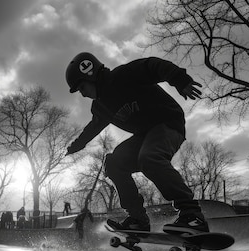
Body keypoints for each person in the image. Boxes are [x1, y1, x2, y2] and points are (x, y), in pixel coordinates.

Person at [65, 52, 208, 233]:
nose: (83, 94)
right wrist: (76, 145)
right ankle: (138, 219)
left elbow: (153, 65)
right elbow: (93, 127)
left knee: (149, 157)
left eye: (82, 88)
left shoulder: (123, 76)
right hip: (145, 135)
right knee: (114, 163)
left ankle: (192, 215)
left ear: (90, 75)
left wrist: (179, 79)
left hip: (168, 122)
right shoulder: (100, 106)